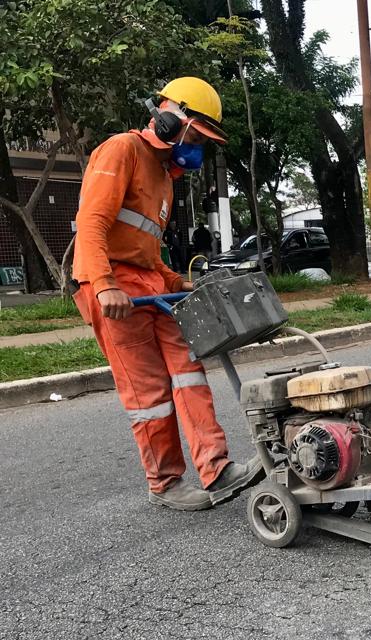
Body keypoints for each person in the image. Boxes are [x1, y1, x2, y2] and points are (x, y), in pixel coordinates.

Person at [72, 76, 262, 511]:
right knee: (149, 391)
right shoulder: (121, 150)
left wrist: (179, 282)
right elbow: (93, 224)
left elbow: (149, 251)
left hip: (150, 286)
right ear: (167, 118)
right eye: (194, 134)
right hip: (114, 288)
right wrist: (103, 286)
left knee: (189, 371)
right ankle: (165, 482)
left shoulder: (165, 178)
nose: (195, 146)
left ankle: (216, 468)